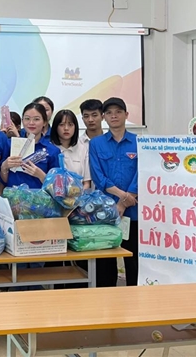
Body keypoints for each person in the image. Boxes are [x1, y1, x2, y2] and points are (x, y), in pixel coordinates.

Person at [89, 97, 139, 287]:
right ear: (104, 117)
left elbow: (141, 173)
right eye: (109, 113)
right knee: (105, 262)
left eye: (118, 112)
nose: (114, 116)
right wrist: (121, 197)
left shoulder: (138, 142)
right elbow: (98, 176)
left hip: (133, 211)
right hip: (105, 211)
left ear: (126, 115)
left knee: (133, 259)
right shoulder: (96, 144)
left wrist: (124, 202)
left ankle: (135, 298)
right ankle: (107, 299)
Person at [0, 103, 61, 191]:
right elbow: (3, 181)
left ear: (44, 122)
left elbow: (57, 188)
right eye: (27, 118)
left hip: (39, 199)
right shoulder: (10, 144)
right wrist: (4, 167)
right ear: (22, 121)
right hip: (12, 198)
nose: (31, 123)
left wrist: (41, 175)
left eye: (36, 119)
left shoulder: (53, 151)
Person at [50, 109, 91, 188]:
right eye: (61, 125)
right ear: (55, 127)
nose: (66, 128)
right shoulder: (50, 149)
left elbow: (87, 183)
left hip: (79, 194)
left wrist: (78, 194)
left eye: (70, 125)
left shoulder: (83, 148)